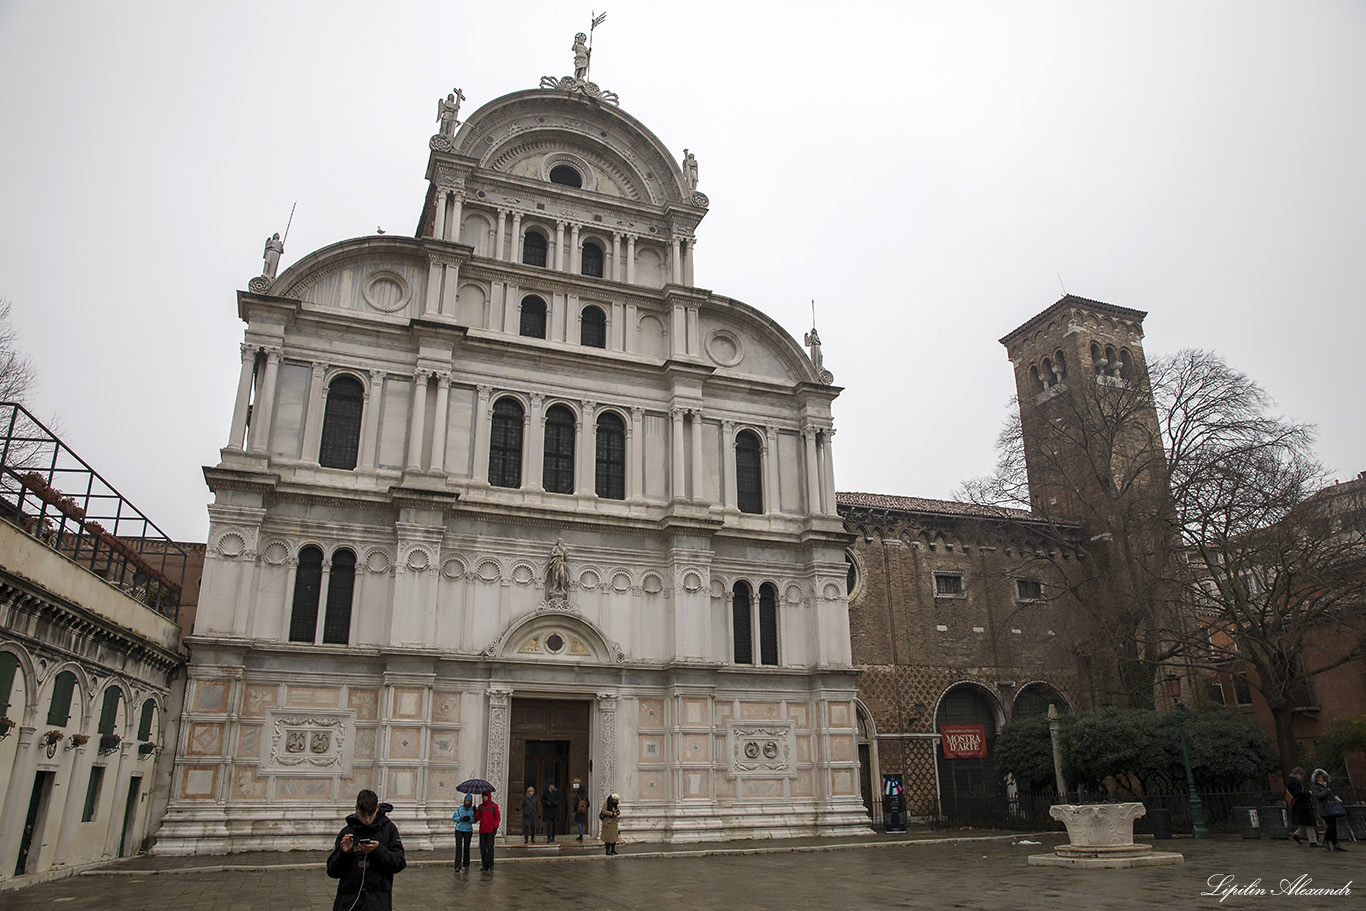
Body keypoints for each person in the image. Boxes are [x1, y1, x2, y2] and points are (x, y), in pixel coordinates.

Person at [326, 789, 406, 911]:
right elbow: (332, 871)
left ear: (377, 808)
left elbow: (399, 863)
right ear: (356, 808)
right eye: (363, 815)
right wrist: (344, 853)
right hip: (349, 900)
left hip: (378, 900)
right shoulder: (346, 832)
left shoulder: (389, 830)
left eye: (371, 814)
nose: (367, 820)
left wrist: (378, 850)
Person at [1310, 768, 1346, 852]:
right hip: (1323, 809)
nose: (1321, 779)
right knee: (1330, 825)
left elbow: (1331, 795)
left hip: (1331, 808)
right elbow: (1318, 796)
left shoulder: (1326, 785)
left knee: (1333, 825)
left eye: (1322, 777)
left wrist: (1336, 798)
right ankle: (1325, 840)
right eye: (1319, 778)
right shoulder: (1314, 787)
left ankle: (1335, 843)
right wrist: (1326, 791)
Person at [1287, 767, 1320, 846]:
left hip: (1300, 804)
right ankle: (1313, 841)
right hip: (1301, 804)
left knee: (1305, 822)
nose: (1302, 778)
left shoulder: (1292, 781)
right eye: (1301, 776)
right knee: (1309, 822)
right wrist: (1308, 793)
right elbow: (1298, 793)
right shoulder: (1293, 782)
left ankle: (1297, 834)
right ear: (1298, 774)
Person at [474, 790, 500, 870]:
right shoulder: (481, 807)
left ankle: (491, 864)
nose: (484, 797)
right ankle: (484, 864)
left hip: (490, 830)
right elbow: (477, 818)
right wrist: (474, 812)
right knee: (482, 848)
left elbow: (497, 818)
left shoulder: (494, 806)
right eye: (483, 796)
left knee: (490, 847)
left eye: (485, 796)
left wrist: (495, 828)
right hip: (482, 830)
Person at [452, 793, 475, 870]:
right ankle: (457, 865)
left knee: (467, 847)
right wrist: (461, 818)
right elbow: (454, 817)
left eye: (469, 801)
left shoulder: (472, 810)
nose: (467, 802)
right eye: (466, 800)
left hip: (468, 830)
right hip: (459, 829)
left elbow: (474, 820)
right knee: (458, 848)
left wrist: (470, 818)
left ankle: (466, 864)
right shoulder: (460, 809)